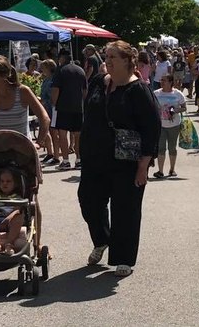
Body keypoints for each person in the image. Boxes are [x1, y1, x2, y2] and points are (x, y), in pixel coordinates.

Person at [78, 40, 161, 277]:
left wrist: (143, 166)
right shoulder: (97, 82)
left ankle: (123, 257)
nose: (108, 61)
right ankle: (102, 239)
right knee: (88, 200)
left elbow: (151, 129)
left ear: (128, 61)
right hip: (95, 159)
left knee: (125, 209)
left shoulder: (139, 91)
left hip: (126, 161)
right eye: (107, 56)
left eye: (113, 57)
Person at [0, 55, 50, 254]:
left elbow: (44, 117)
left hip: (23, 152)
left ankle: (36, 243)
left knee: (31, 199)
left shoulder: (22, 92)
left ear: (5, 75)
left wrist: (40, 141)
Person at [51, 50, 87, 170]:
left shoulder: (60, 71)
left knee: (62, 134)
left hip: (63, 107)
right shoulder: (80, 70)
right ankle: (79, 160)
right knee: (78, 135)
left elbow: (56, 90)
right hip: (78, 107)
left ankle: (65, 161)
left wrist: (54, 103)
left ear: (62, 58)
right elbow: (85, 91)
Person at [153, 74, 186, 178]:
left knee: (172, 148)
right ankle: (160, 171)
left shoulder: (178, 94)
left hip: (174, 125)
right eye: (161, 80)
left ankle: (172, 169)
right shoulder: (156, 93)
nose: (162, 82)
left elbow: (184, 107)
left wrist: (175, 110)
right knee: (161, 148)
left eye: (164, 80)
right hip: (160, 125)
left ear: (171, 82)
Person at [39, 59, 58, 165]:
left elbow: (51, 96)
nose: (42, 70)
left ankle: (55, 155)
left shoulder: (52, 80)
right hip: (45, 106)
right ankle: (50, 153)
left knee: (53, 131)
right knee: (46, 130)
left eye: (44, 67)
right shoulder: (46, 79)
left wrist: (43, 101)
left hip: (50, 107)